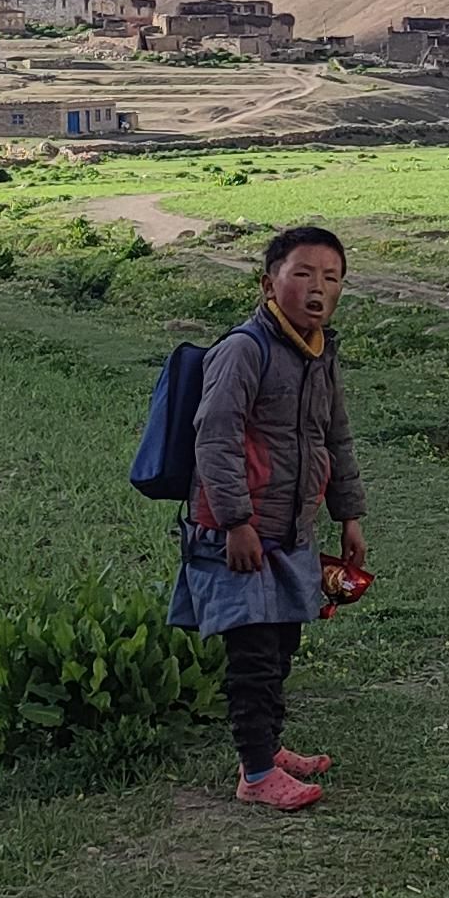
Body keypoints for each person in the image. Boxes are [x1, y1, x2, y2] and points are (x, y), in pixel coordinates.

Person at [169, 224, 369, 811]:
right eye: (302, 274)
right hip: (238, 534)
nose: (318, 289)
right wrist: (235, 522)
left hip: (290, 531)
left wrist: (349, 515)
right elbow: (216, 437)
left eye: (331, 278)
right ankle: (256, 774)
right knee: (253, 655)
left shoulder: (319, 353)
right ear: (268, 283)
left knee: (281, 646)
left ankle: (269, 750)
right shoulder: (243, 350)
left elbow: (336, 437)